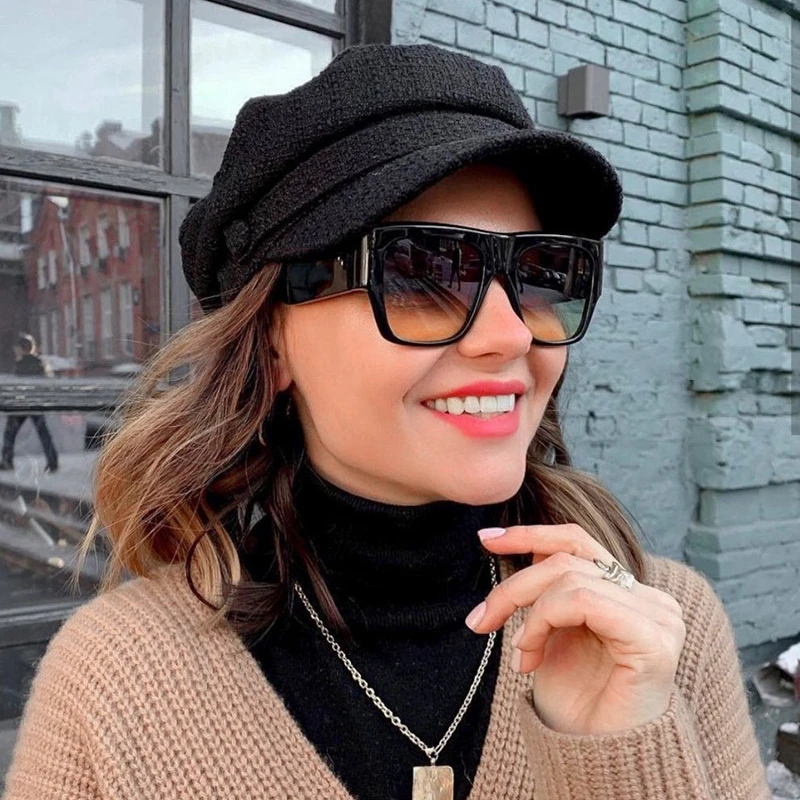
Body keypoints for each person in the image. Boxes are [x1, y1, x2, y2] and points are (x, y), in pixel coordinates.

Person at [3, 44, 770, 800]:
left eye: (540, 274)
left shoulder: (664, 635)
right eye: (421, 273)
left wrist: (620, 758)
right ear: (272, 339)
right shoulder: (114, 686)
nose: (510, 335)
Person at [0, 333, 58, 473]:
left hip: (20, 405)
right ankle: (52, 461)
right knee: (43, 433)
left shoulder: (20, 364)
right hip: (35, 404)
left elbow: (14, 384)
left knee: (10, 433)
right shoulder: (40, 363)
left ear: (21, 348)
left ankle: (7, 460)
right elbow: (48, 382)